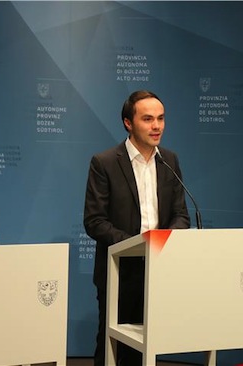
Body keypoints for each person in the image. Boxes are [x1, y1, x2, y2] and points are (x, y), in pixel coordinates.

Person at [84, 90, 191, 366]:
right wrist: (138, 243)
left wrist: (163, 241)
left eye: (161, 118)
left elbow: (181, 215)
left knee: (148, 348)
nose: (157, 126)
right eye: (148, 119)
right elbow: (94, 221)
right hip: (120, 271)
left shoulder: (170, 160)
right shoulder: (105, 163)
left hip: (158, 269)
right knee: (112, 348)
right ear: (128, 123)